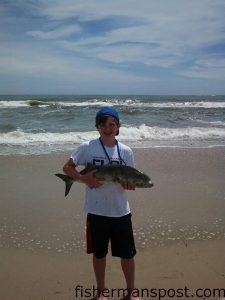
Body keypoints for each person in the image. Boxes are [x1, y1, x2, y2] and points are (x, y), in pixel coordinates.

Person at [63, 107, 140, 300]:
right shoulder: (87, 147)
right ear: (97, 127)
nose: (108, 127)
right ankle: (101, 291)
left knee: (128, 255)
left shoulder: (126, 151)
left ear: (118, 126)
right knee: (99, 254)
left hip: (121, 211)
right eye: (103, 124)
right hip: (97, 211)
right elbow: (67, 167)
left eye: (112, 123)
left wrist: (130, 185)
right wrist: (84, 179)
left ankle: (131, 291)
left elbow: (129, 178)